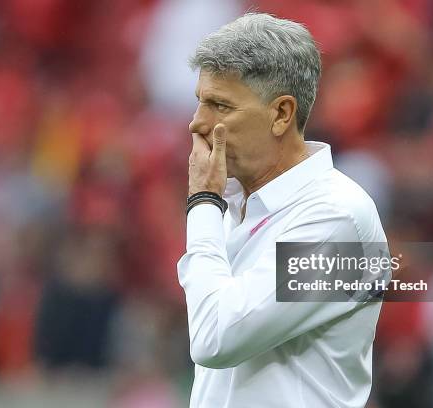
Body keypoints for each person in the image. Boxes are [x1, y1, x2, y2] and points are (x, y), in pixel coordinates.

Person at [177, 12, 387, 408]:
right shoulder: (235, 206)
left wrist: (202, 202)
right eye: (199, 102)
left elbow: (215, 338)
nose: (196, 123)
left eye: (219, 106)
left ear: (281, 114)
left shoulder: (336, 218)